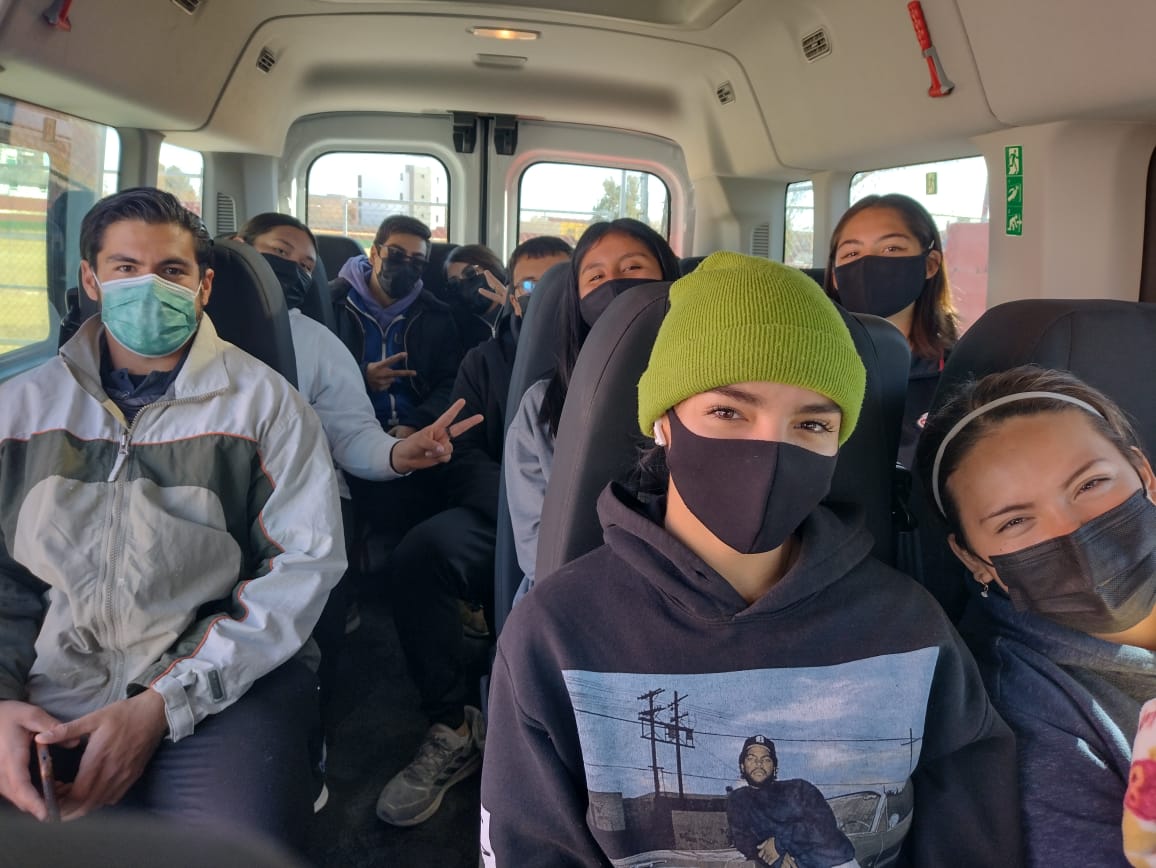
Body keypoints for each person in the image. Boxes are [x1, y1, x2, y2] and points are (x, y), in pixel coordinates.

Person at [481, 253, 1021, 867]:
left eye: (811, 425)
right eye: (728, 412)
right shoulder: (556, 634)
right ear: (663, 422)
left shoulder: (910, 629)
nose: (769, 450)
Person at [0, 188, 345, 848]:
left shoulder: (265, 407)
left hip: (217, 683)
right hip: (46, 676)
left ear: (203, 286)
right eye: (126, 269)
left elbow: (300, 568)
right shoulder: (20, 411)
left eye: (171, 270)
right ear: (92, 280)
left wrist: (164, 702)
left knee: (242, 847)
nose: (148, 287)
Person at [234, 212, 483, 724]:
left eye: (306, 264)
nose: (293, 269)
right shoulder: (336, 308)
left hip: (340, 465)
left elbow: (350, 429)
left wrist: (399, 445)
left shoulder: (315, 340)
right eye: (278, 253)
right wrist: (366, 379)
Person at [916, 365, 1156, 866]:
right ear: (975, 561)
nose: (1072, 530)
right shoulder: (1025, 711)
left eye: (1090, 484)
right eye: (1016, 521)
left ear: (1145, 475)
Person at [372, 240, 575, 829]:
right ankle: (453, 724)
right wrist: (521, 514)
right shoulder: (484, 361)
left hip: (593, 523)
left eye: (555, 284)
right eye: (529, 285)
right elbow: (461, 455)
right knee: (421, 555)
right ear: (511, 293)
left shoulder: (607, 356)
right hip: (501, 516)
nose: (540, 297)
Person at [503, 218, 680, 591]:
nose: (614, 284)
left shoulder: (706, 394)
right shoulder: (541, 407)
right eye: (596, 277)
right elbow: (536, 549)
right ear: (577, 302)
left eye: (633, 267)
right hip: (569, 593)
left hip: (684, 593)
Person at [823, 193, 958, 467]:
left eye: (891, 249)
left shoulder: (958, 371)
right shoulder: (810, 361)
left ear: (930, 264)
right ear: (836, 276)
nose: (868, 263)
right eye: (852, 253)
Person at [329, 213, 463, 437]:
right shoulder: (333, 305)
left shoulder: (436, 315)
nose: (405, 265)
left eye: (417, 261)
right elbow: (314, 375)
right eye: (396, 254)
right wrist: (361, 377)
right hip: (346, 431)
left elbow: (451, 382)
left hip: (416, 431)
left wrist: (417, 424)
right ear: (374, 254)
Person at [727, 736, 855, 868]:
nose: (759, 764)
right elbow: (744, 841)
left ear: (774, 767)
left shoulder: (800, 789)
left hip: (836, 863)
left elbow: (824, 825)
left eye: (766, 759)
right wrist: (777, 859)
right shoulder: (738, 800)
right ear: (742, 766)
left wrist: (779, 843)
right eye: (751, 758)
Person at [443, 243, 508, 350]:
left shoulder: (518, 310)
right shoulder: (458, 330)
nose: (464, 283)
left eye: (469, 273)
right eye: (454, 282)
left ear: (491, 267)